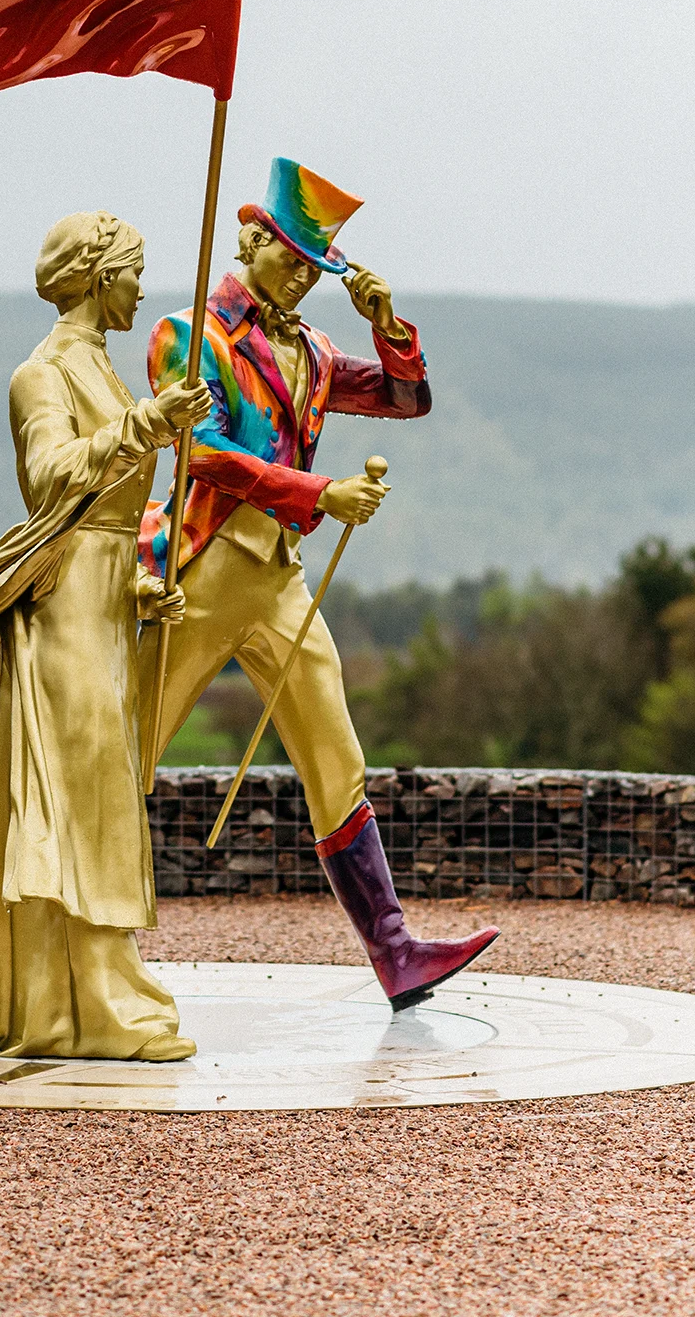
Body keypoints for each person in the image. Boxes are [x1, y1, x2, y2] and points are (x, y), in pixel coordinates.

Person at [140, 158, 500, 1008]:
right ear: (252, 240)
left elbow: (405, 402)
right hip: (197, 571)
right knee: (123, 755)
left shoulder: (313, 349)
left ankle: (395, 950)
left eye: (317, 267)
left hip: (276, 582)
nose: (303, 277)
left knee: (337, 758)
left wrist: (387, 326)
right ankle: (43, 933)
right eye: (293, 258)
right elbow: (205, 453)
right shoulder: (188, 335)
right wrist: (318, 494)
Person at [0, 211, 211, 1059]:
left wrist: (133, 589)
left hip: (98, 604)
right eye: (131, 271)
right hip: (60, 619)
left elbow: (99, 520)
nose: (139, 288)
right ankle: (89, 997)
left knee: (86, 792)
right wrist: (145, 426)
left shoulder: (102, 367)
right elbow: (51, 479)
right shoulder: (41, 374)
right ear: (96, 276)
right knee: (78, 794)